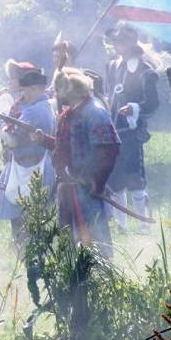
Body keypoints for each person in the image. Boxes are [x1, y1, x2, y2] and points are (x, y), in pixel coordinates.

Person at [40, 67, 119, 257]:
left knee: (95, 241)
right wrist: (43, 140)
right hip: (70, 187)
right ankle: (75, 280)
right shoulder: (73, 112)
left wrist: (97, 181)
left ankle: (102, 278)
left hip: (86, 188)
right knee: (71, 242)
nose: (55, 94)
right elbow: (68, 148)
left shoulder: (94, 112)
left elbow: (109, 148)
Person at [103, 24, 159, 234]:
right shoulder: (112, 66)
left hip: (132, 132)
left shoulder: (146, 70)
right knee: (115, 179)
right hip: (113, 129)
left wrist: (134, 107)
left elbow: (152, 103)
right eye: (116, 41)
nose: (118, 45)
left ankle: (143, 223)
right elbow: (110, 95)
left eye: (122, 41)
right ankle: (121, 224)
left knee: (135, 177)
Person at [0, 69, 55, 246]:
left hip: (30, 167)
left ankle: (26, 254)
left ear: (37, 89)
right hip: (33, 165)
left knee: (24, 217)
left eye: (27, 90)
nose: (23, 94)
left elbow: (11, 139)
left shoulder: (34, 112)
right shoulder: (42, 107)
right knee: (32, 215)